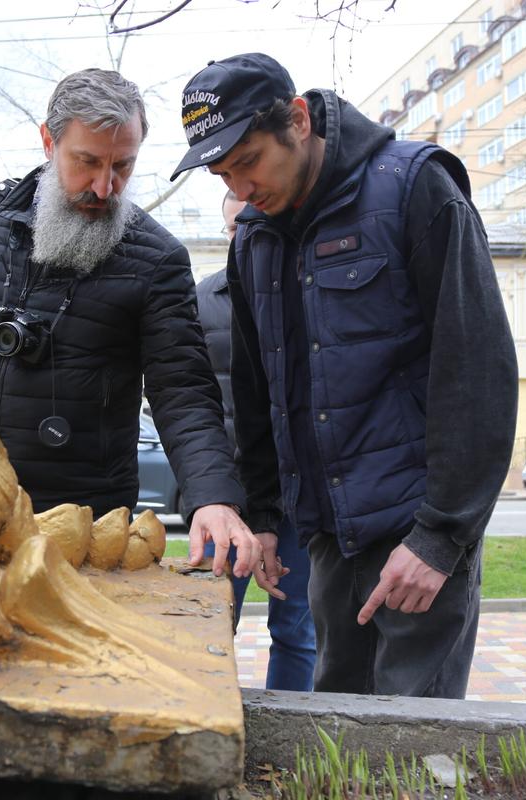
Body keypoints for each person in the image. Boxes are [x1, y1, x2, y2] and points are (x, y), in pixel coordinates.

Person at [172, 53, 517, 698]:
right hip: (326, 539)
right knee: (337, 731)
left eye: (247, 162)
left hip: (416, 535)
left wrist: (441, 540)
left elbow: (479, 372)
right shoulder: (254, 237)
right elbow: (258, 391)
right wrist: (268, 514)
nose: (240, 190)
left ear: (297, 120)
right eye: (223, 175)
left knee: (414, 747)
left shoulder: (415, 187)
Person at [0, 68, 278, 588]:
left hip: (82, 523)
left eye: (122, 166)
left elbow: (183, 391)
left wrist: (212, 496)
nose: (105, 186)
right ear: (48, 141)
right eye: (87, 162)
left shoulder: (158, 258)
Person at [196, 190, 316, 691]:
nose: (243, 237)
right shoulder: (202, 301)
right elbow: (188, 396)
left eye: (253, 225)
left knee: (296, 626)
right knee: (208, 623)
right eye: (233, 229)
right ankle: (206, 716)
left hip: (297, 491)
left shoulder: (303, 290)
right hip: (228, 491)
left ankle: (293, 735)